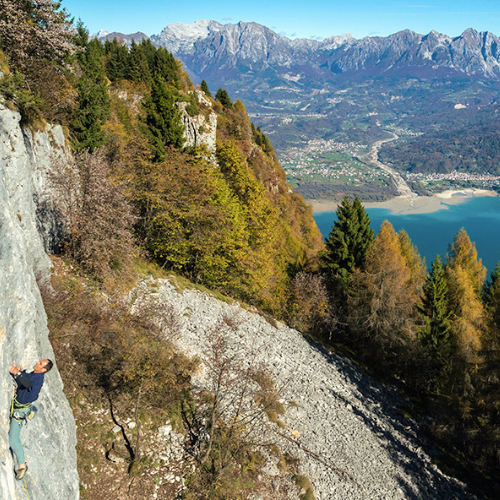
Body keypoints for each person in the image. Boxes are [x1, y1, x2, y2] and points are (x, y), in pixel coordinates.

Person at [8, 359, 53, 480]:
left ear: (43, 369)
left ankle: (22, 465)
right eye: (39, 361)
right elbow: (25, 379)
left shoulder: (38, 378)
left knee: (13, 439)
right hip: (20, 405)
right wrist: (19, 371)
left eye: (40, 364)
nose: (37, 363)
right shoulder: (35, 373)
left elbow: (27, 384)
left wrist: (17, 374)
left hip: (20, 411)